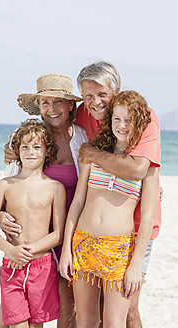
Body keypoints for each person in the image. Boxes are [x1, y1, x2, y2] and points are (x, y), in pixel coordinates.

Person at [3, 61, 161, 328]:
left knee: (126, 312)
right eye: (88, 96)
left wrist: (93, 154)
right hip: (76, 236)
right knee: (75, 312)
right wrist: (11, 148)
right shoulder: (81, 120)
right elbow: (33, 143)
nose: (96, 103)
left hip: (128, 234)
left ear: (117, 91)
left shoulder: (140, 116)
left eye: (102, 94)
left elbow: (138, 170)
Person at [59, 90, 159, 328]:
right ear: (110, 119)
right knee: (87, 321)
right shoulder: (93, 153)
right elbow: (78, 203)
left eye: (129, 120)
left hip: (118, 249)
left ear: (140, 122)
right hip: (83, 244)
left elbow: (147, 217)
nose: (122, 126)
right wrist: (66, 250)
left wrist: (135, 266)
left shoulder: (147, 167)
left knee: (115, 322)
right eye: (117, 119)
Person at [0, 73, 88, 328]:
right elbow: (11, 183)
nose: (51, 109)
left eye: (58, 101)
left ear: (71, 105)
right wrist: (1, 214)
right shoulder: (29, 139)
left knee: (66, 305)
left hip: (71, 232)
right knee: (9, 312)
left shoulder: (83, 139)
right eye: (45, 103)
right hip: (33, 233)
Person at [0, 119, 66, 327]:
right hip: (12, 264)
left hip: (42, 266)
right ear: (17, 151)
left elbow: (58, 234)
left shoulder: (55, 188)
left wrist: (27, 251)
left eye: (37, 147)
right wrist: (10, 250)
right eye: (25, 146)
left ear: (47, 151)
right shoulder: (5, 185)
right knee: (16, 323)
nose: (31, 152)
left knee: (36, 324)